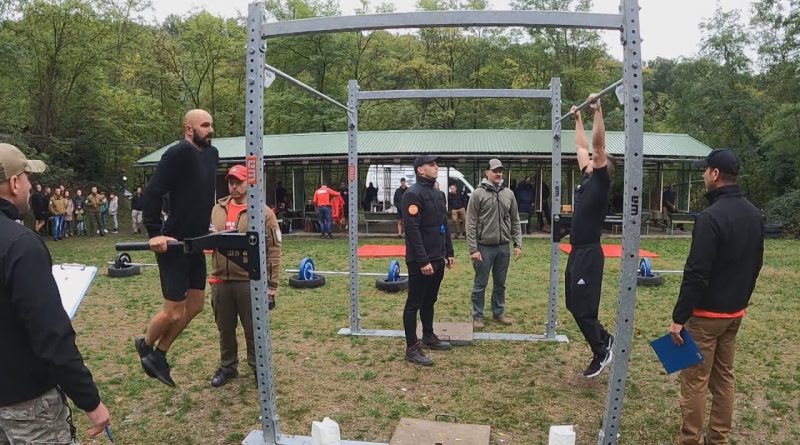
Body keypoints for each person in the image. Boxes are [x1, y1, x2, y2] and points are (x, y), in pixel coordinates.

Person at [0, 143, 110, 444]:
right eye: (27, 178)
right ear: (14, 183)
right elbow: (51, 335)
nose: (30, 186)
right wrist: (90, 401)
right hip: (28, 405)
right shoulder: (20, 245)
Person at [667, 149, 763, 445]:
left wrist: (679, 318)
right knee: (724, 379)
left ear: (716, 174)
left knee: (695, 380)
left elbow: (696, 272)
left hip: (705, 317)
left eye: (705, 170)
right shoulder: (754, 213)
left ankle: (690, 439)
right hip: (734, 314)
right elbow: (756, 264)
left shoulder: (710, 217)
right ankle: (718, 438)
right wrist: (741, 301)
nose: (703, 175)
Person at [136, 109, 218, 387]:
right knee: (173, 311)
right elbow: (153, 192)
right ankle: (145, 345)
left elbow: (201, 195)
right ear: (188, 129)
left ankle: (159, 354)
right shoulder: (177, 153)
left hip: (197, 242)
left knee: (195, 306)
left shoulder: (212, 154)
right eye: (204, 125)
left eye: (211, 125)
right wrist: (155, 233)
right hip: (173, 243)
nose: (210, 129)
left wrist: (207, 225)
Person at [208, 165, 282, 387]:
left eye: (238, 182)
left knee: (254, 329)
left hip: (249, 281)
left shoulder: (263, 212)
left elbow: (273, 249)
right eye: (231, 182)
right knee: (225, 329)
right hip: (220, 280)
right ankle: (228, 367)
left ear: (248, 183)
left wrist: (271, 286)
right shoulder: (217, 209)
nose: (234, 186)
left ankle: (259, 368)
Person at [566, 96, 615, 378]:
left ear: (601, 164)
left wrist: (597, 111)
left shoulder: (600, 181)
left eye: (595, 160)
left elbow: (597, 146)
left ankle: (602, 349)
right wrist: (578, 119)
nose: (589, 159)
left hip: (589, 253)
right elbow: (581, 147)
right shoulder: (586, 178)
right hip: (577, 251)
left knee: (584, 309)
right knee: (572, 303)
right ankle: (604, 339)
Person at [401, 155, 455, 366]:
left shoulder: (439, 194)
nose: (436, 167)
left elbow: (444, 225)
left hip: (437, 257)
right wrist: (423, 261)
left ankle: (429, 335)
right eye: (431, 165)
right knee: (414, 303)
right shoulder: (412, 194)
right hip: (420, 261)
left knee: (430, 300)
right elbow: (412, 231)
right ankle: (412, 347)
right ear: (420, 170)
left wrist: (449, 251)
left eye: (436, 164)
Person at [466, 159, 522, 329]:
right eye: (495, 171)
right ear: (487, 172)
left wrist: (517, 243)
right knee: (480, 283)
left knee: (500, 283)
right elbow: (470, 223)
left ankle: (498, 313)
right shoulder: (478, 194)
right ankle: (477, 316)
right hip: (483, 247)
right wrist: (473, 249)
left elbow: (515, 220)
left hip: (503, 246)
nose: (498, 174)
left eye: (500, 171)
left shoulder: (509, 194)